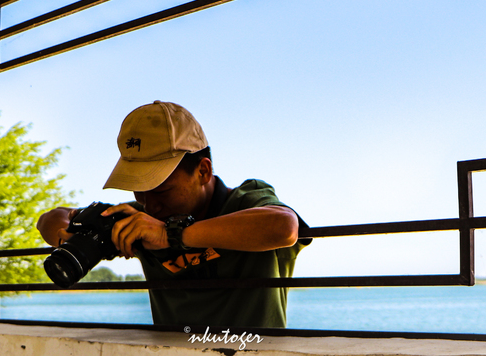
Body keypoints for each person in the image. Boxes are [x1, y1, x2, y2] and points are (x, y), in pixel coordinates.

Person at [37, 101, 310, 328]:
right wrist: (68, 230)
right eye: (139, 190)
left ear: (203, 171)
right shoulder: (139, 219)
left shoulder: (245, 202)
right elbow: (49, 219)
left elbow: (284, 227)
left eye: (161, 190)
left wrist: (172, 235)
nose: (150, 204)